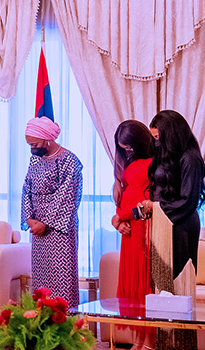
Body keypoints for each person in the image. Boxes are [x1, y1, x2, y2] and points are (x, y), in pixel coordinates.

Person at [141, 110, 205, 350]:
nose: (156, 143)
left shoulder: (191, 158)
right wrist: (151, 208)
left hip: (181, 226)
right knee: (162, 286)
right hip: (163, 223)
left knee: (178, 285)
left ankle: (181, 344)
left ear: (172, 134)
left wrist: (156, 207)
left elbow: (188, 201)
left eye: (159, 138)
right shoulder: (168, 154)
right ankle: (164, 342)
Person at [21, 116, 83, 309]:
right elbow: (27, 188)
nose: (32, 149)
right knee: (41, 281)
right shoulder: (35, 161)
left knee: (61, 278)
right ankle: (42, 327)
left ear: (48, 139)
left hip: (59, 231)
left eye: (35, 144)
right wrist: (30, 218)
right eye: (29, 145)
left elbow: (67, 196)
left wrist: (45, 223)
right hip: (37, 229)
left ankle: (65, 327)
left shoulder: (70, 161)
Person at [110, 120, 154, 350]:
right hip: (128, 227)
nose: (126, 150)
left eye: (129, 146)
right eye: (123, 147)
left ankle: (149, 342)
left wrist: (122, 216)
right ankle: (137, 340)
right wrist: (118, 220)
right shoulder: (130, 162)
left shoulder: (153, 163)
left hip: (143, 225)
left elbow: (145, 200)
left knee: (143, 283)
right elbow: (124, 194)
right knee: (131, 284)